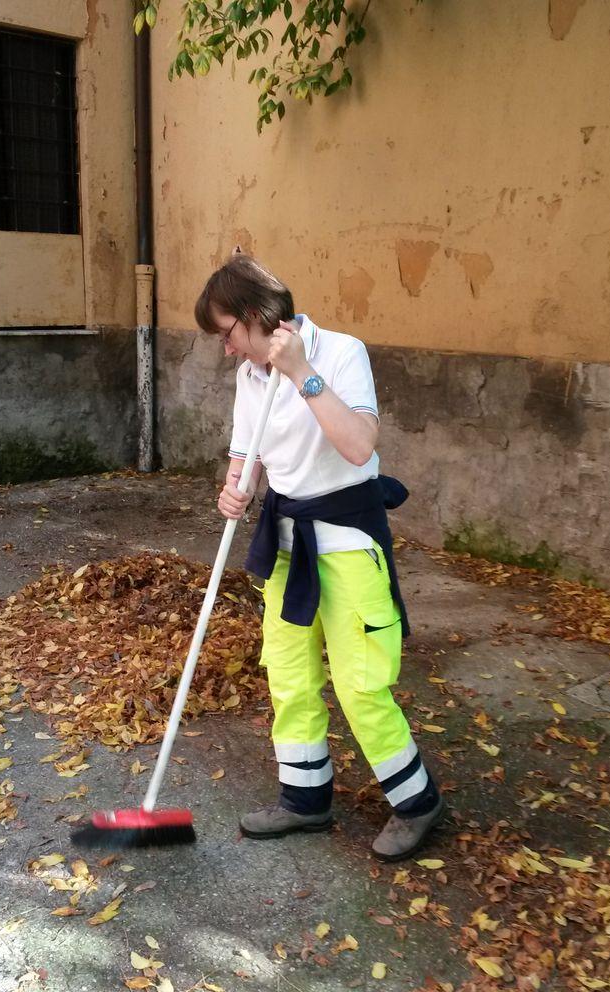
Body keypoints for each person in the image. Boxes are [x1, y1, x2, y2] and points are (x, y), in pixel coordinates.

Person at [194, 253, 444, 861]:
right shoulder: (249, 376)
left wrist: (301, 371)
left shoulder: (340, 352)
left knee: (361, 685)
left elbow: (359, 446)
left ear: (256, 315)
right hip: (287, 543)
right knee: (288, 673)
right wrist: (235, 488)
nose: (227, 349)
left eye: (227, 333)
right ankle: (305, 799)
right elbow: (246, 456)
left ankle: (417, 802)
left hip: (348, 541)